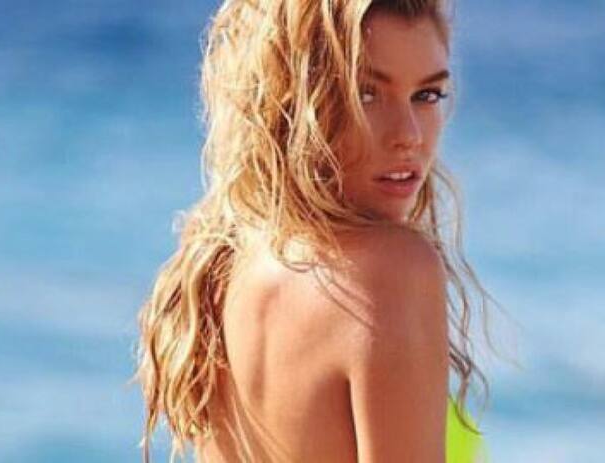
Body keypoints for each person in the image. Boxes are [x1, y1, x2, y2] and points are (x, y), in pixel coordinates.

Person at [131, 0, 503, 461]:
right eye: (366, 93)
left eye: (427, 95)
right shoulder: (390, 273)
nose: (409, 134)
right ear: (294, 95)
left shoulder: (220, 266)